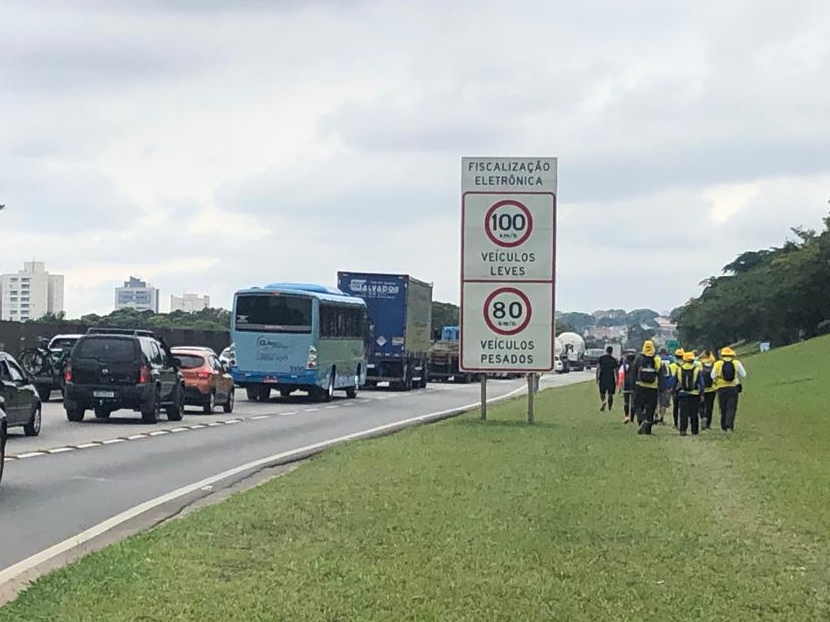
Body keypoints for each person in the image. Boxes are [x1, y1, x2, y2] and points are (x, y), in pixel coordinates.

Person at [631, 340, 664, 435]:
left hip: (640, 386)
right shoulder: (657, 359)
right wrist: (661, 388)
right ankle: (648, 429)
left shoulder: (638, 358)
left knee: (638, 406)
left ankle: (641, 421)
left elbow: (633, 372)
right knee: (651, 408)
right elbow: (661, 375)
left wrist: (632, 386)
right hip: (653, 388)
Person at [711, 346, 747, 431]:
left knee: (723, 407)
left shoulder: (718, 364)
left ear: (722, 355)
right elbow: (744, 374)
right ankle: (730, 424)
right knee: (731, 407)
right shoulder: (736, 363)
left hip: (721, 388)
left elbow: (712, 376)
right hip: (733, 388)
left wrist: (718, 378)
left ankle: (723, 426)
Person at [674, 350, 705, 436]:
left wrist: (675, 392)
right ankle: (694, 430)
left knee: (683, 412)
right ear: (692, 360)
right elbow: (701, 383)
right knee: (694, 413)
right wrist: (702, 394)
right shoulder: (697, 370)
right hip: (694, 394)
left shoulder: (679, 369)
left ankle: (683, 430)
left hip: (682, 394)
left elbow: (674, 382)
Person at [596, 346, 619, 411]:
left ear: (606, 351)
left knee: (602, 393)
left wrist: (597, 378)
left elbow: (598, 368)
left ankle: (603, 401)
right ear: (611, 351)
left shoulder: (601, 358)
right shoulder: (613, 360)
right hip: (611, 379)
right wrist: (618, 379)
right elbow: (617, 370)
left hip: (602, 377)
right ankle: (609, 407)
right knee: (610, 394)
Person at [698, 350, 717, 429]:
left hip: (702, 389)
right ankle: (708, 424)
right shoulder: (714, 364)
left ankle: (703, 417)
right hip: (712, 389)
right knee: (710, 407)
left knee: (701, 405)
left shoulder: (700, 364)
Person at [618, 349, 637, 423]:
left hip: (626, 384)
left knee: (626, 402)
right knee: (633, 403)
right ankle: (632, 419)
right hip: (634, 385)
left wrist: (620, 386)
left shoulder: (624, 365)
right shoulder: (636, 365)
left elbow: (621, 375)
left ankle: (626, 416)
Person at [656, 347, 673, 424]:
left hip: (656, 382)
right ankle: (661, 418)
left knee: (655, 400)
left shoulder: (656, 359)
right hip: (666, 383)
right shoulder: (670, 360)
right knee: (663, 402)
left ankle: (656, 415)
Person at [668, 348, 684, 427]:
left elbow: (670, 379)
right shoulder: (685, 365)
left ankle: (675, 423)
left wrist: (670, 388)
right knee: (683, 407)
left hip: (675, 389)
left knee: (676, 407)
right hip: (684, 388)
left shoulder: (671, 366)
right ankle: (682, 423)